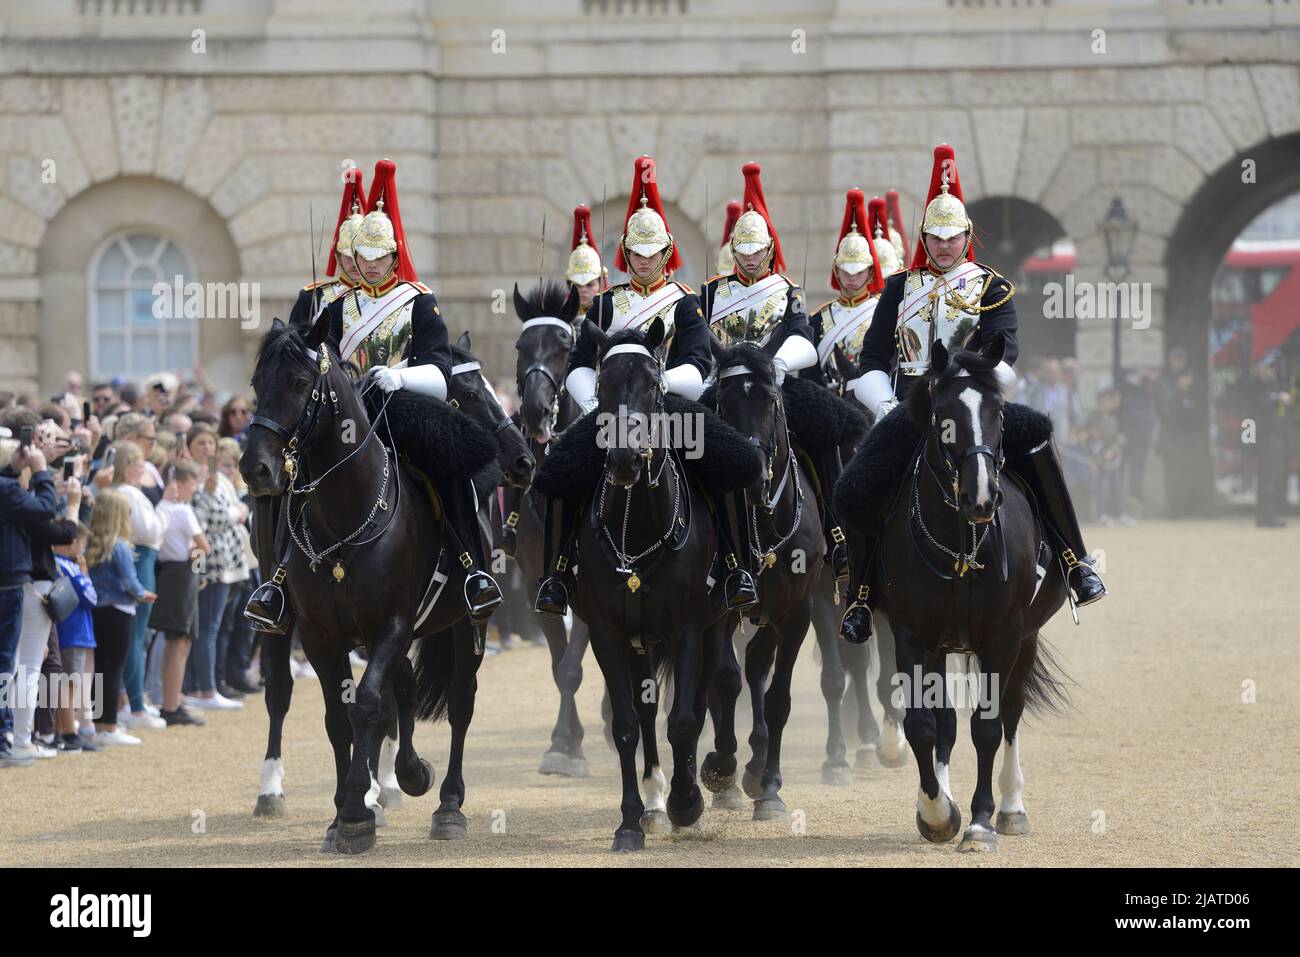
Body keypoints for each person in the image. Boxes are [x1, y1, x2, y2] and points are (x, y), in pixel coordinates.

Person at [842, 143, 1107, 644]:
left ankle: (1075, 561)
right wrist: (885, 405)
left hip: (977, 404)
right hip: (912, 408)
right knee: (858, 483)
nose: (944, 246)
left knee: (1037, 444)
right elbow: (872, 359)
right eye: (935, 238)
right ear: (925, 238)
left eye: (953, 237)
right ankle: (860, 595)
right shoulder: (899, 288)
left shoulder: (992, 288)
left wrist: (979, 388)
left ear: (967, 236)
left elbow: (1007, 356)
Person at [246, 157, 502, 631]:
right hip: (344, 406)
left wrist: (399, 377)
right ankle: (278, 581)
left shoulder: (419, 301)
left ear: (393, 255)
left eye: (378, 256)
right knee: (294, 470)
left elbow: (441, 370)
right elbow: (307, 356)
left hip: (402, 405)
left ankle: (472, 569)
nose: (369, 264)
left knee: (447, 465)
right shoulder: (337, 305)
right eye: (361, 256)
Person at [533, 154, 712, 616]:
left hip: (670, 414)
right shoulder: (605, 305)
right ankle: (556, 573)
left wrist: (661, 386)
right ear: (626, 253)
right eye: (637, 252)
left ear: (667, 251)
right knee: (558, 472)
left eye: (654, 253)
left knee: (727, 465)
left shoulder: (685, 304)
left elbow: (699, 361)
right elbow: (577, 362)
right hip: (612, 417)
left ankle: (734, 565)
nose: (646, 261)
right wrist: (595, 399)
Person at [699, 161, 819, 607]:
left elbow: (804, 338)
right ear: (733, 249)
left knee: (828, 438)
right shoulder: (709, 293)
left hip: (775, 387)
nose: (750, 259)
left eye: (757, 251)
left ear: (770, 249)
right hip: (724, 389)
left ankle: (839, 539)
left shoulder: (788, 290)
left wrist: (781, 365)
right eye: (743, 251)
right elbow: (694, 344)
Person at [804, 190, 899, 581]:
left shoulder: (885, 311)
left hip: (876, 404)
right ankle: (833, 535)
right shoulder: (819, 319)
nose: (852, 277)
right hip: (834, 409)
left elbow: (894, 361)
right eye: (846, 270)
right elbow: (809, 374)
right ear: (836, 270)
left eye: (859, 271)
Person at [1, 436, 59, 767]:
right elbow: (45, 510)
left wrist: (13, 467)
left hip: (11, 581)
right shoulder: (7, 490)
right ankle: (5, 738)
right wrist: (40, 472)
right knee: (7, 665)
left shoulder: (5, 485)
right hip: (8, 582)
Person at [100, 440, 166, 730]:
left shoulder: (127, 492)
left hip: (143, 558)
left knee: (137, 637)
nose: (143, 469)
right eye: (139, 464)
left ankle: (133, 702)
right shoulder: (128, 492)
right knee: (135, 637)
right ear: (127, 466)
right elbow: (150, 530)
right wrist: (164, 512)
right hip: (140, 560)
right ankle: (135, 705)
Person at [86, 490, 157, 746]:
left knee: (99, 669)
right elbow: (130, 582)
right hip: (119, 611)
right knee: (113, 668)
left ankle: (98, 724)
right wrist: (144, 594)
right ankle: (110, 726)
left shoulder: (92, 543)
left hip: (97, 610)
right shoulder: (120, 546)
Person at [185, 422, 247, 709]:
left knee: (216, 625)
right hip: (208, 563)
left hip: (229, 561)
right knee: (207, 627)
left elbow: (238, 509)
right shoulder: (192, 477)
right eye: (201, 443)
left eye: (211, 443)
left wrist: (236, 511)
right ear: (189, 447)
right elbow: (210, 518)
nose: (207, 449)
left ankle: (205, 686)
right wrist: (235, 512)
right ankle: (204, 689)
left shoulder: (218, 477)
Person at [151, 459, 209, 726]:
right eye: (192, 483)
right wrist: (198, 557)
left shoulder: (165, 510)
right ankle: (171, 704)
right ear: (179, 484)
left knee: (176, 641)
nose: (194, 489)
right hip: (182, 575)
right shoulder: (183, 511)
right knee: (180, 642)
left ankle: (170, 699)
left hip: (171, 573)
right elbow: (203, 547)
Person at [51, 523, 99, 752]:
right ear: (73, 544)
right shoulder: (69, 567)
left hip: (66, 631)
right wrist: (84, 574)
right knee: (69, 683)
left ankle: (60, 731)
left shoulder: (54, 564)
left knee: (66, 682)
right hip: (73, 632)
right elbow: (91, 597)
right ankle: (69, 733)